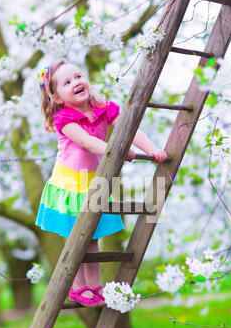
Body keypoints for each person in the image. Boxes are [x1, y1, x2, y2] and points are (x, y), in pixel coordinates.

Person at [35, 58, 167, 308]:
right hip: (70, 184)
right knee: (77, 236)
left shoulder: (103, 107)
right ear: (57, 97)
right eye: (67, 82)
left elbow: (130, 130)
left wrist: (152, 151)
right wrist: (117, 149)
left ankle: (94, 286)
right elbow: (87, 142)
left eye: (78, 76)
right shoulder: (65, 118)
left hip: (95, 181)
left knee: (93, 237)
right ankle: (77, 287)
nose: (76, 82)